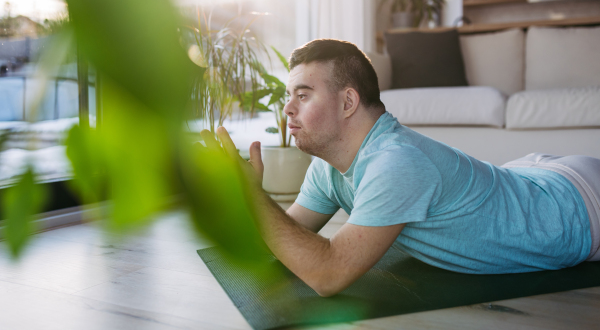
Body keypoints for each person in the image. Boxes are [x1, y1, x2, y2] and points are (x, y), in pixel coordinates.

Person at [206, 39, 600, 297]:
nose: (288, 108)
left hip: (577, 206)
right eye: (289, 95)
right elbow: (277, 247)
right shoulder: (327, 169)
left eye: (303, 95)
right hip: (530, 173)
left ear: (348, 103)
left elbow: (327, 275)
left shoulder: (395, 163)